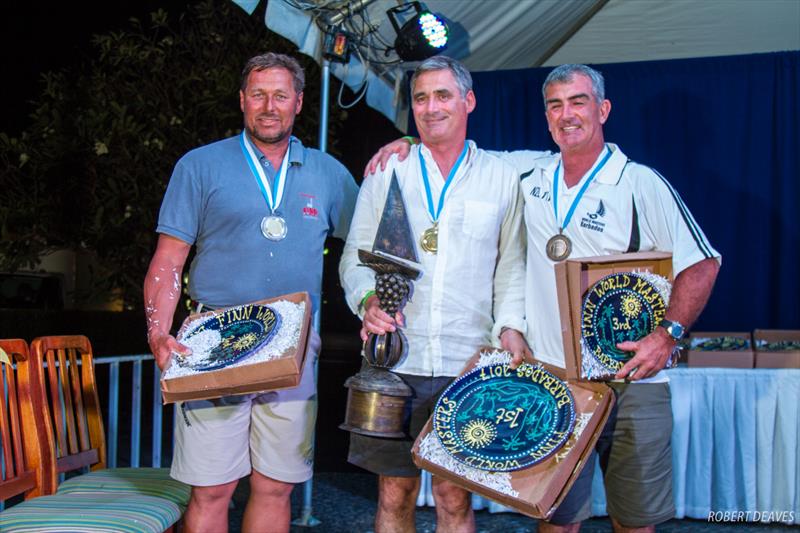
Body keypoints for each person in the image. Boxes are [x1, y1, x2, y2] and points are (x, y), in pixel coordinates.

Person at [365, 64, 721, 533]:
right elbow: (452, 147)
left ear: (603, 109)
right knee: (554, 518)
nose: (567, 114)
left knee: (633, 521)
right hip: (553, 379)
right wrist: (408, 142)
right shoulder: (525, 172)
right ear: (546, 115)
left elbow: (702, 263)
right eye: (555, 105)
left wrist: (668, 334)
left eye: (578, 102)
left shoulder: (640, 183)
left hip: (633, 378)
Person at [143, 52, 358, 533]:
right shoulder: (200, 165)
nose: (269, 106)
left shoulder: (329, 174)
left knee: (275, 485)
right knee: (212, 488)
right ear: (242, 100)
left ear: (299, 103)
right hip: (215, 340)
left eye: (280, 95)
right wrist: (159, 334)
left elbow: (369, 242)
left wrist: (405, 147)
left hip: (294, 346)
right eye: (258, 94)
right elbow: (168, 260)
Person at [339, 55, 529, 533]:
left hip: (467, 360)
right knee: (393, 490)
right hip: (394, 359)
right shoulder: (388, 172)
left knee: (453, 494)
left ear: (468, 101)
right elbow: (353, 257)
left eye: (443, 95)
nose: (431, 107)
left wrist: (510, 327)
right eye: (421, 97)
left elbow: (512, 267)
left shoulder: (504, 176)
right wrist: (367, 302)